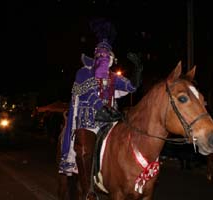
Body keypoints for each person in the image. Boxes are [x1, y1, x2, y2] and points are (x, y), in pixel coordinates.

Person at [58, 19, 142, 199]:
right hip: (87, 120)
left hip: (110, 120)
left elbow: (131, 87)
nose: (104, 58)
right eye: (101, 55)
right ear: (95, 57)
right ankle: (88, 189)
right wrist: (99, 108)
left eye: (107, 56)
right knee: (83, 147)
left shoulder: (113, 77)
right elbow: (86, 94)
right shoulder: (83, 72)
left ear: (111, 59)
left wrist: (138, 70)